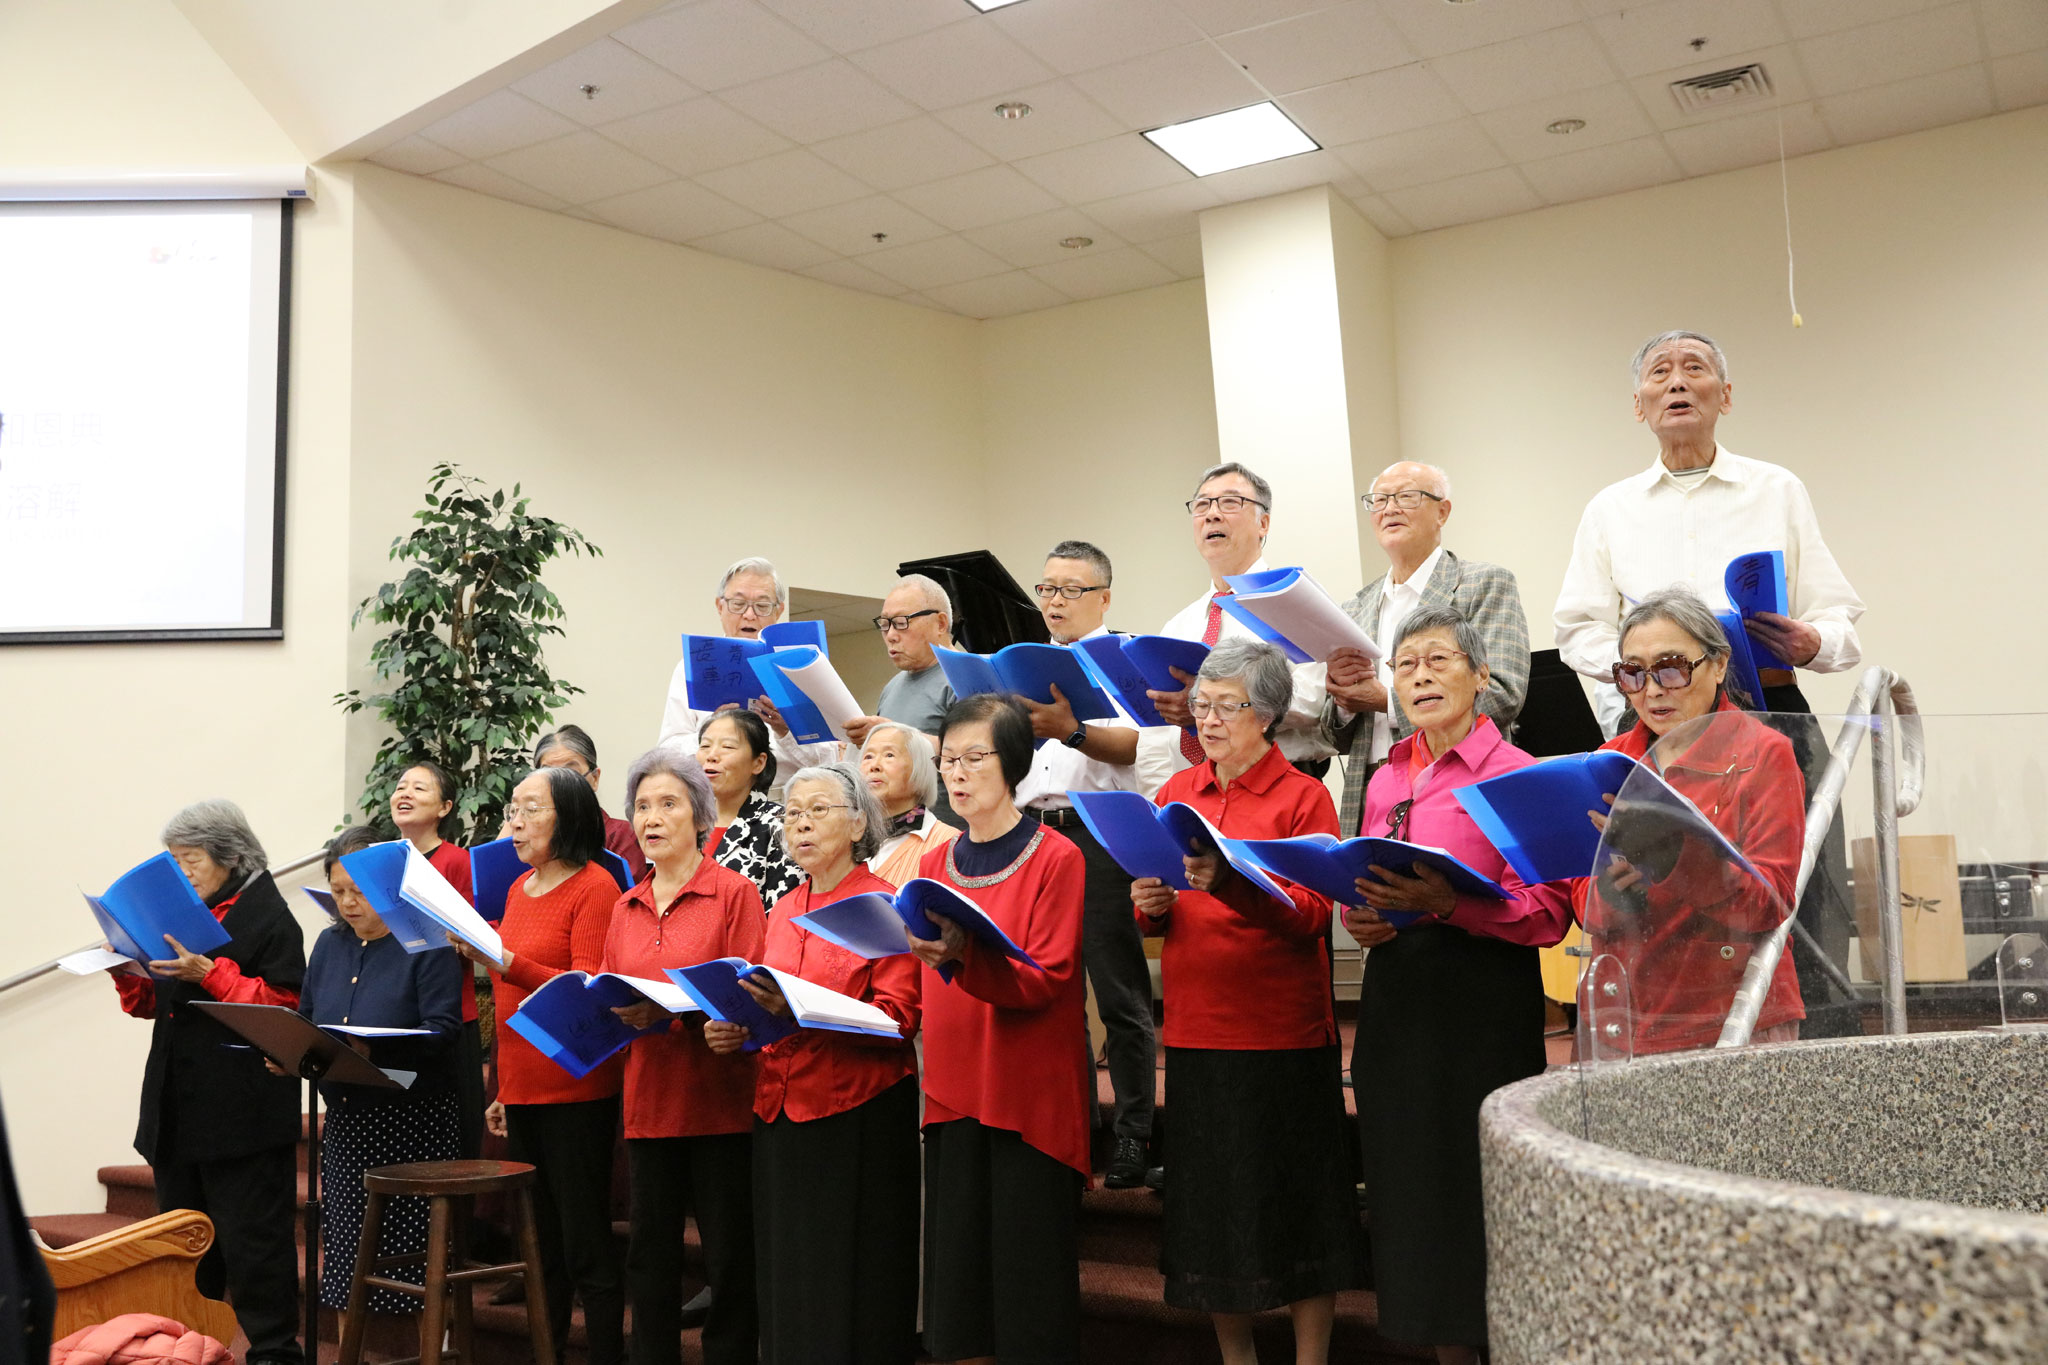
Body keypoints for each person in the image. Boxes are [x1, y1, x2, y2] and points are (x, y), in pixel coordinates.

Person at [1341, 608, 1573, 1364]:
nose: (1420, 676)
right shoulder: (1385, 776)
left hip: (1481, 1005)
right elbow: (1363, 881)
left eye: (1438, 660)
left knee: (1480, 1194)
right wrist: (1361, 915)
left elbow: (1549, 912)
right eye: (1406, 665)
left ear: (1481, 676)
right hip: (1397, 1000)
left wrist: (1451, 905)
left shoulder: (1520, 773)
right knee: (1411, 1194)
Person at [1129, 641, 1361, 1365]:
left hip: (1283, 1032)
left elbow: (1313, 916)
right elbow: (1154, 915)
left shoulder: (1302, 796)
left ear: (1265, 714)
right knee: (1211, 1219)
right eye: (1201, 705)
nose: (1208, 719)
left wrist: (1230, 883)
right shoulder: (1177, 792)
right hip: (1197, 1027)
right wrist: (1148, 905)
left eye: (1225, 706)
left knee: (1302, 1211)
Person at [705, 763, 922, 1365]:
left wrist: (801, 1011)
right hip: (778, 1109)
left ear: (857, 824)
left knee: (851, 1274)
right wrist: (737, 1029)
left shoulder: (884, 905)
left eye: (818, 810)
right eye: (793, 813)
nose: (800, 823)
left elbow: (898, 1018)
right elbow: (769, 1008)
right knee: (787, 1271)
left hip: (857, 1110)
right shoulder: (781, 908)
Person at [1552, 329, 1866, 734]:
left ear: (1726, 396)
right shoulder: (1609, 508)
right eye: (1660, 372)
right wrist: (1648, 664)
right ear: (1639, 405)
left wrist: (1812, 644)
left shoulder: (1777, 489)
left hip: (1768, 705)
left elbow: (1836, 618)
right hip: (1655, 713)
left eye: (1694, 368)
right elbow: (1577, 628)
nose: (1677, 383)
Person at [912, 695, 1089, 1365]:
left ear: (1012, 763)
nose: (957, 773)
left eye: (974, 757)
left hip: (1027, 1094)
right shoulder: (932, 865)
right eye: (948, 759)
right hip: (953, 1089)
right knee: (960, 1298)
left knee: (1027, 1293)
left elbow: (1046, 978)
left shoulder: (1056, 856)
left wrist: (964, 956)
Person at [109, 800, 305, 1365]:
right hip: (178, 1108)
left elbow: (286, 1009)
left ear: (231, 857)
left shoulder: (272, 918)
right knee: (182, 1247)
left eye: (189, 860)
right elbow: (153, 1003)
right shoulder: (180, 915)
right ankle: (188, 1349)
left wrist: (211, 973)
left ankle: (274, 1353)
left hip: (243, 1111)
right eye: (173, 861)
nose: (181, 872)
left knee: (253, 1245)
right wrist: (124, 968)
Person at [1577, 586, 1806, 1053]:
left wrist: (1675, 856)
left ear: (1718, 664)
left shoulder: (1763, 752)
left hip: (1731, 1015)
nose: (1653, 689)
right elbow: (1579, 896)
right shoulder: (1609, 760)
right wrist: (1610, 895)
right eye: (1633, 673)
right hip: (1625, 1016)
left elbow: (1771, 903)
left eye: (1672, 668)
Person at [454, 767, 625, 1365]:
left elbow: (584, 989)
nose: (516, 822)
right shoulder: (516, 888)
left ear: (569, 815)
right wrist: (503, 1085)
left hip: (576, 1087)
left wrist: (505, 960)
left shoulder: (595, 886)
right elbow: (507, 1006)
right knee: (539, 1246)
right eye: (513, 809)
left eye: (531, 809)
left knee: (584, 1242)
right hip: (524, 1088)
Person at [601, 751, 765, 1365]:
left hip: (721, 1103)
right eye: (642, 806)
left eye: (668, 804)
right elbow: (613, 991)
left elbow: (752, 995)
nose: (651, 818)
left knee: (730, 1259)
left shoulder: (733, 893)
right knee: (649, 1259)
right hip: (648, 1102)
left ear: (699, 816)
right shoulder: (625, 905)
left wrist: (680, 1015)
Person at [1013, 540, 1157, 1189]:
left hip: (1099, 832)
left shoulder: (1121, 660)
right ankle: (1070, 1127)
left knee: (1118, 992)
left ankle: (1133, 1132)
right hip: (1033, 834)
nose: (1055, 601)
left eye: (1071, 589)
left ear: (1104, 596)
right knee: (1051, 995)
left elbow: (1139, 746)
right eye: (1047, 588)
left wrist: (1069, 729)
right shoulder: (1024, 663)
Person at [287, 826, 464, 1320]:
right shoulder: (329, 944)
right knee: (347, 1262)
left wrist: (380, 1046)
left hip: (412, 1124)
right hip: (347, 1123)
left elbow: (445, 1030)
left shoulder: (426, 941)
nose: (347, 903)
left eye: (359, 891)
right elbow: (307, 1017)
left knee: (414, 1262)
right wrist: (289, 1050)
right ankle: (352, 1352)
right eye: (338, 891)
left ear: (388, 886)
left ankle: (430, 1347)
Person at [1322, 462, 1530, 837]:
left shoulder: (1484, 583)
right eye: (1379, 500)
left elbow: (1503, 693)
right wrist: (1342, 700)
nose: (1390, 508)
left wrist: (1384, 701)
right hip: (1371, 786)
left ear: (1442, 512)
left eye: (1406, 496)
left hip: (1461, 778)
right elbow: (1336, 736)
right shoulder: (1356, 606)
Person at [1138, 462, 1333, 795]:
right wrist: (1160, 801)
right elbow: (1156, 735)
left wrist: (1211, 705)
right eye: (1202, 505)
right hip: (1193, 794)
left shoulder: (1292, 601)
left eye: (1229, 503)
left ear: (1263, 523)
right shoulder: (1179, 625)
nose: (1212, 515)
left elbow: (1314, 699)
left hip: (1276, 790)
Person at [657, 556, 840, 791]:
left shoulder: (804, 668)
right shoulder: (691, 667)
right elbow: (667, 753)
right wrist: (709, 735)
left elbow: (829, 760)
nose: (750, 615)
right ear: (720, 606)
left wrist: (786, 730)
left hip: (783, 801)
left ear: (779, 611)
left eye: (762, 606)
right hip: (712, 801)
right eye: (738, 604)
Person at [388, 760, 488, 1158]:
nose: (405, 793)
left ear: (445, 807)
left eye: (419, 788)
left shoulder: (457, 861)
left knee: (454, 1137)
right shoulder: (383, 860)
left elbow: (476, 932)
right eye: (401, 786)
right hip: (396, 1012)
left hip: (447, 1012)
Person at [698, 708, 803, 907]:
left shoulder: (781, 824)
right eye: (705, 746)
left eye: (727, 747)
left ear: (758, 763)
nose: (711, 756)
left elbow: (781, 911)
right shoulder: (687, 822)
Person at [533, 724, 648, 883]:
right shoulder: (529, 834)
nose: (560, 786)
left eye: (571, 774)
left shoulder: (621, 836)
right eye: (549, 776)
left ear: (594, 778)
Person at [858, 722, 957, 886]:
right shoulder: (846, 837)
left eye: (889, 755)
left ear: (920, 768)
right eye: (868, 757)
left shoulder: (949, 844)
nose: (874, 766)